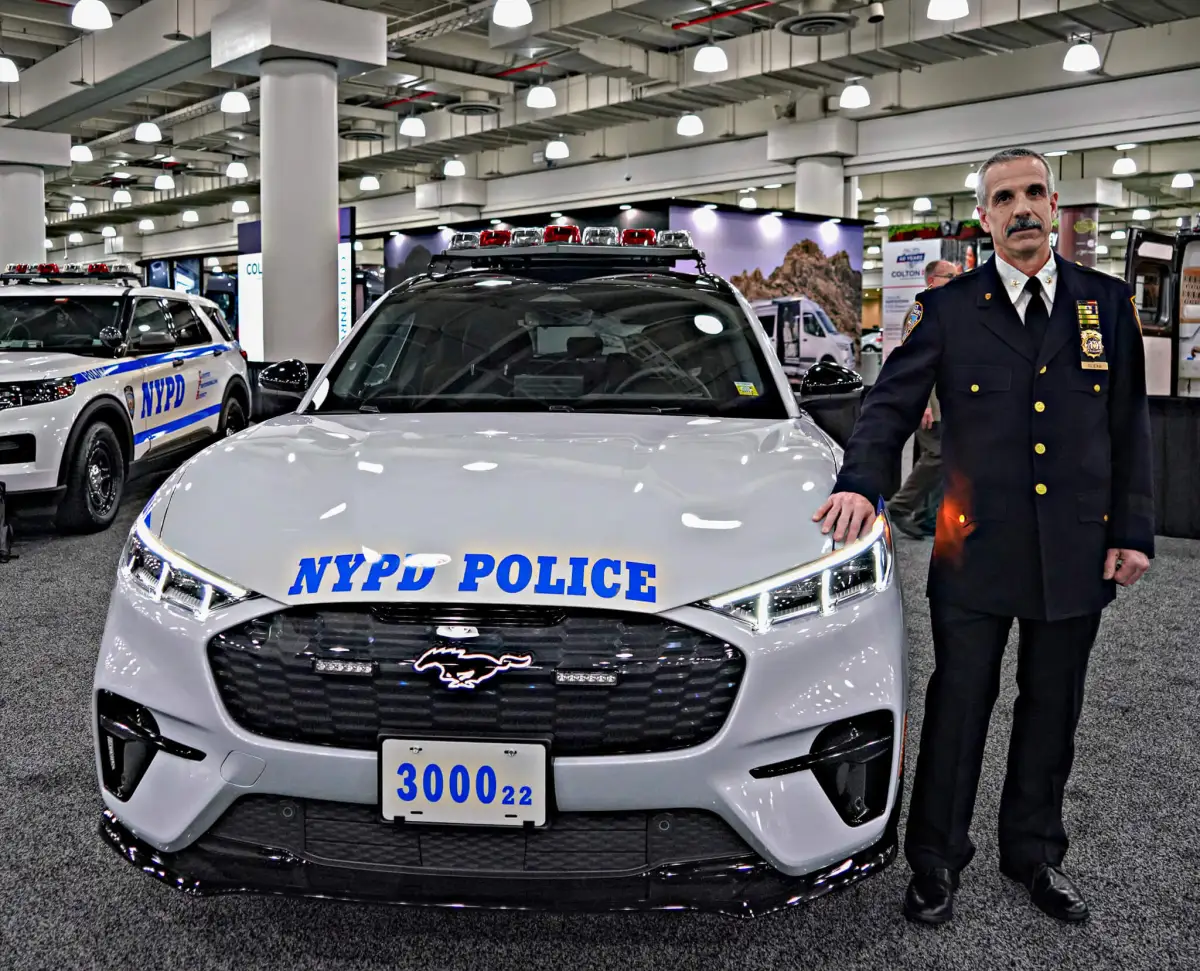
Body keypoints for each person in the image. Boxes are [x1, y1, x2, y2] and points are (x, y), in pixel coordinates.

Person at [813, 147, 1154, 927]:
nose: (1023, 207)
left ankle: (1034, 852)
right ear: (986, 218)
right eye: (1005, 198)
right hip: (976, 549)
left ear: (1057, 205)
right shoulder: (951, 309)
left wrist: (1132, 529)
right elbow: (889, 406)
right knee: (961, 702)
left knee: (1053, 706)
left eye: (1035, 192)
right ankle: (935, 860)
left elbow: (1127, 426)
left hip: (1074, 548)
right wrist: (861, 483)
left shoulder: (1105, 304)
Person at [887, 259, 960, 538]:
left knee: (949, 459)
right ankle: (900, 507)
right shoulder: (921, 311)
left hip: (949, 402)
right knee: (938, 455)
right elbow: (916, 364)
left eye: (957, 275)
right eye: (949, 276)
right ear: (932, 280)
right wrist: (924, 405)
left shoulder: (948, 311)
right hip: (931, 403)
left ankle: (927, 517)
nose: (955, 280)